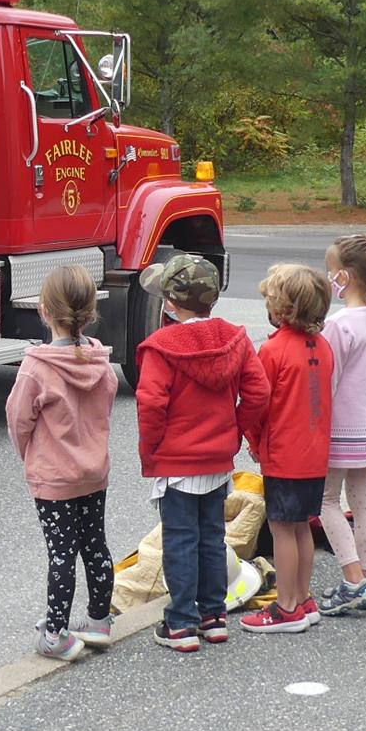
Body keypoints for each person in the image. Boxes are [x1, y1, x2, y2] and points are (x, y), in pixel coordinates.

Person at [135, 253, 270, 653]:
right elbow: (259, 392)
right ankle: (213, 616)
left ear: (171, 303)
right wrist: (237, 426)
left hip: (177, 464)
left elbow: (151, 403)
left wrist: (152, 449)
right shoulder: (234, 338)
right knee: (212, 537)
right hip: (217, 460)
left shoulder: (161, 347)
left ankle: (180, 622)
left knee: (179, 540)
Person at [6, 266, 119, 661]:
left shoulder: (38, 368)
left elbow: (18, 420)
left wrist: (30, 456)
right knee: (95, 546)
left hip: (54, 478)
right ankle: (100, 620)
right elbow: (104, 407)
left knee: (61, 553)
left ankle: (56, 633)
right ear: (90, 314)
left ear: (43, 310)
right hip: (94, 472)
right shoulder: (100, 362)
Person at [239, 264, 334, 635]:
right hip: (315, 452)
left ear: (282, 309)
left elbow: (259, 402)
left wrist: (253, 440)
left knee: (281, 528)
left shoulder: (273, 350)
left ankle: (286, 606)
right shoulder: (322, 347)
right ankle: (304, 597)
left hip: (284, 454)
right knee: (302, 528)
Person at [317, 234, 366, 617]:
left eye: (332, 272)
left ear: (345, 276)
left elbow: (326, 383)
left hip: (340, 429)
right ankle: (365, 574)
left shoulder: (338, 325)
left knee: (327, 500)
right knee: (363, 499)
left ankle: (351, 579)